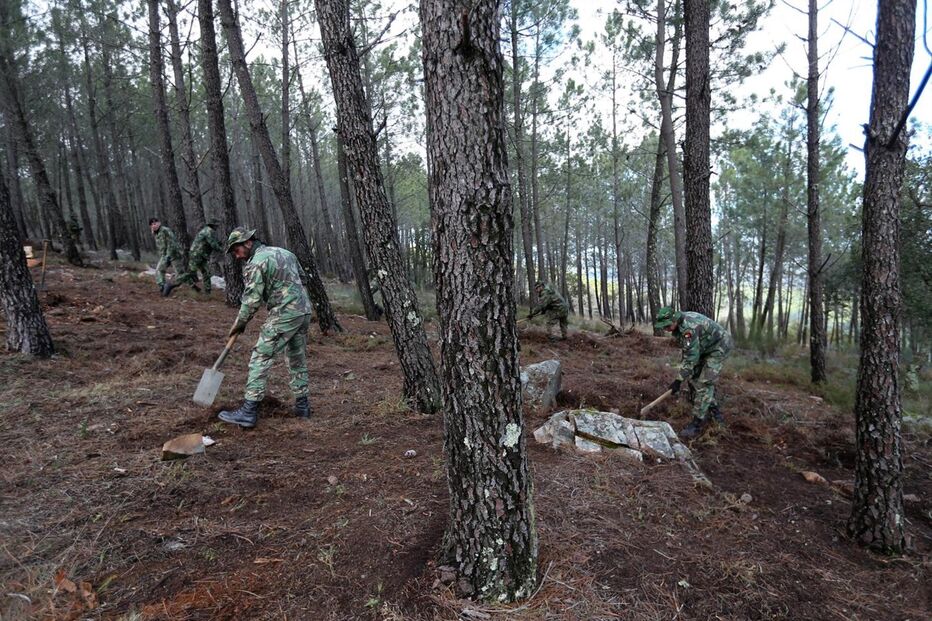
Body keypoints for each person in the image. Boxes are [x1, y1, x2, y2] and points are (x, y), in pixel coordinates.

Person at [217, 227, 313, 428]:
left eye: (236, 250)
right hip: (303, 311)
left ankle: (249, 410)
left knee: (261, 356)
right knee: (296, 357)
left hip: (285, 313)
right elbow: (302, 279)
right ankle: (303, 405)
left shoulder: (256, 263)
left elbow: (251, 301)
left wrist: (239, 324)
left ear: (248, 242)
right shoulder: (285, 253)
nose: (236, 256)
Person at [654, 306, 733, 440]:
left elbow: (690, 358)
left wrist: (678, 381)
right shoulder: (679, 323)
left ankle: (697, 423)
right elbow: (689, 353)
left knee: (704, 383)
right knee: (693, 379)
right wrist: (683, 377)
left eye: (667, 326)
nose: (665, 329)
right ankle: (715, 412)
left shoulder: (688, 329)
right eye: (663, 326)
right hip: (704, 347)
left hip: (719, 347)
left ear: (674, 319)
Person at [165, 221, 222, 296]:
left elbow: (213, 242)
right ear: (213, 225)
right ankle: (171, 284)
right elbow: (213, 244)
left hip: (201, 256)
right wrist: (222, 249)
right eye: (216, 225)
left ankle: (207, 293)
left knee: (206, 273)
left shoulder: (207, 230)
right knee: (190, 273)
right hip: (197, 255)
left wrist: (219, 244)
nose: (217, 227)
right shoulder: (209, 231)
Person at [149, 217, 185, 296]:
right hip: (165, 255)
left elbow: (172, 243)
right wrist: (164, 256)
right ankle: (163, 287)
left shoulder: (165, 230)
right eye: (152, 224)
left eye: (155, 223)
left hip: (174, 254)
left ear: (159, 223)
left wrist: (168, 255)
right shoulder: (156, 233)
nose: (154, 225)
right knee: (159, 271)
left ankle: (171, 285)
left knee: (180, 275)